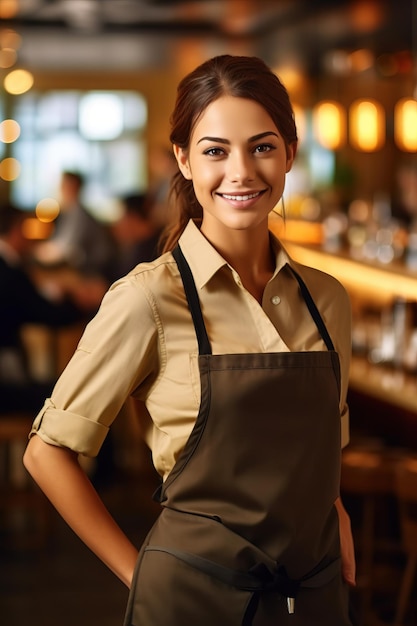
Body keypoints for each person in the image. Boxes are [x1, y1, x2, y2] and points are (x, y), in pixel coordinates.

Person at [24, 55, 356, 625]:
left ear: (290, 154)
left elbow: (320, 450)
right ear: (183, 158)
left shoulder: (328, 300)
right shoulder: (148, 298)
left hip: (314, 599)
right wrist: (144, 577)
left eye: (262, 147)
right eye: (214, 150)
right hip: (192, 605)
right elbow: (46, 451)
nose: (242, 172)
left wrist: (335, 510)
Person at [0, 203, 102, 413]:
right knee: (84, 400)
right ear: (17, 230)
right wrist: (84, 301)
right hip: (5, 381)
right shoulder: (10, 272)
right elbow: (51, 315)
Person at [34, 170, 117, 281]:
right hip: (81, 267)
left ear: (73, 187)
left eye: (63, 185)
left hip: (92, 272)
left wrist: (42, 251)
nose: (60, 189)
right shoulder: (69, 212)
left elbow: (67, 249)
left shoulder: (79, 214)